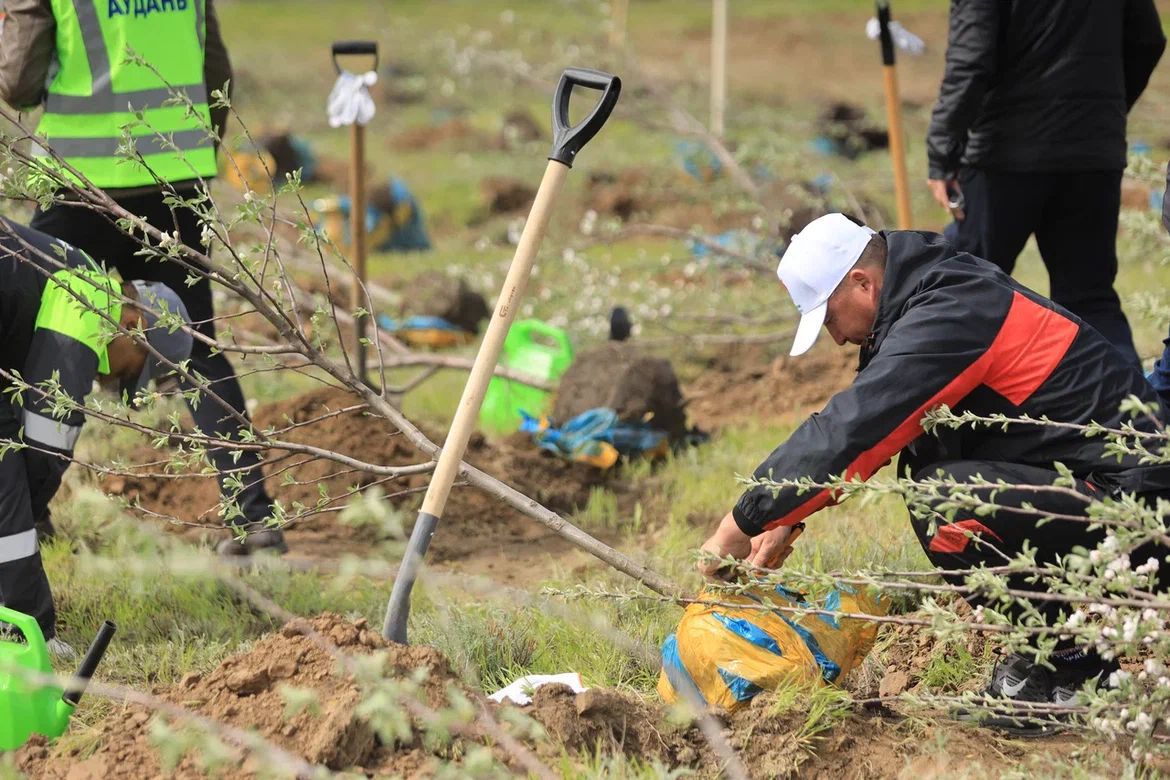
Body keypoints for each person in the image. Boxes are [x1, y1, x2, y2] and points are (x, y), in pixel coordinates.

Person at [699, 213, 1170, 729]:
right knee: (931, 461)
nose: (835, 339)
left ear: (862, 282)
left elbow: (852, 428)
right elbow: (889, 427)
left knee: (942, 501)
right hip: (1113, 489)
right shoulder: (932, 291)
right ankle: (1055, 655)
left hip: (1142, 512)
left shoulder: (949, 311)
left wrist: (740, 523)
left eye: (829, 318)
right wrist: (783, 517)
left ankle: (1071, 670)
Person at [0, 0, 285, 554]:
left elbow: (17, 80)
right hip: (173, 178)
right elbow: (215, 69)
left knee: (30, 332)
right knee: (197, 349)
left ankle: (26, 516)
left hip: (79, 178)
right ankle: (253, 519)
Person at [925, 0, 1165, 368]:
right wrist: (1099, 116)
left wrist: (943, 152)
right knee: (1091, 299)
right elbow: (1147, 39)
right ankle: (1135, 419)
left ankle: (941, 413)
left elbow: (971, 59)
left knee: (967, 290)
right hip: (1091, 154)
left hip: (1003, 158)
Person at [0, 219, 193, 649]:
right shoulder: (87, 302)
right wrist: (25, 509)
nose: (110, 379)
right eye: (130, 371)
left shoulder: (79, 271)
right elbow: (46, 443)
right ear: (136, 324)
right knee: (5, 483)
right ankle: (22, 632)